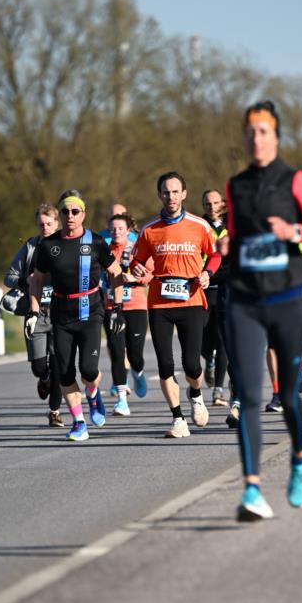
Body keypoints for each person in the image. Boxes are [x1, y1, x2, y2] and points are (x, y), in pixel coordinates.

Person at [225, 101, 302, 519]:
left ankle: (301, 458)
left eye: (264, 131)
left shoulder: (297, 180)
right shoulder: (236, 186)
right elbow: (235, 237)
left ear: (276, 136)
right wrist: (224, 248)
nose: (256, 138)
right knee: (250, 395)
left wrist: (295, 232)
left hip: (287, 298)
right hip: (245, 300)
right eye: (250, 131)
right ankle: (251, 491)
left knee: (287, 395)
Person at [27, 189, 124, 442]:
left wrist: (117, 307)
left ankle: (93, 393)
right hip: (62, 314)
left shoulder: (95, 242)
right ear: (60, 214)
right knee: (65, 371)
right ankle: (79, 422)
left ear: (83, 214)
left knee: (89, 370)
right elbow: (36, 279)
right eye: (65, 211)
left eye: (75, 211)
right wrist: (33, 312)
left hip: (91, 311)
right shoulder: (49, 245)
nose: (70, 216)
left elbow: (115, 272)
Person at [130, 172, 221, 438]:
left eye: (175, 192)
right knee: (165, 364)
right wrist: (137, 270)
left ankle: (195, 393)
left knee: (192, 364)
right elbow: (136, 261)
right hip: (159, 304)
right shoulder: (150, 230)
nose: (170, 197)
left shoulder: (199, 226)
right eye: (165, 192)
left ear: (184, 194)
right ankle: (178, 419)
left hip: (191, 299)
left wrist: (207, 274)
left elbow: (214, 256)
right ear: (159, 195)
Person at [4, 204, 63, 426]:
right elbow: (9, 277)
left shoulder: (66, 245)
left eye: (49, 223)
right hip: (35, 314)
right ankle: (44, 378)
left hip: (60, 314)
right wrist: (25, 280)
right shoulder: (30, 247)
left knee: (59, 364)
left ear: (57, 223)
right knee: (39, 366)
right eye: (41, 224)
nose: (45, 227)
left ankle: (55, 411)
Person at [103, 212, 151, 416]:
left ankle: (138, 372)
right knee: (116, 352)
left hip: (136, 306)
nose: (116, 232)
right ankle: (122, 400)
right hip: (111, 307)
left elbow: (150, 274)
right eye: (113, 229)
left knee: (135, 355)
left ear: (128, 230)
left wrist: (132, 278)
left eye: (120, 229)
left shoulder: (135, 249)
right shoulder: (103, 250)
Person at [200, 189, 229, 405]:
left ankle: (218, 389)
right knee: (203, 339)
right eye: (208, 204)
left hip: (227, 286)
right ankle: (208, 359)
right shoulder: (199, 225)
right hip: (204, 286)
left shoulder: (232, 224)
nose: (212, 207)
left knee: (223, 338)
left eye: (216, 202)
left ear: (223, 203)